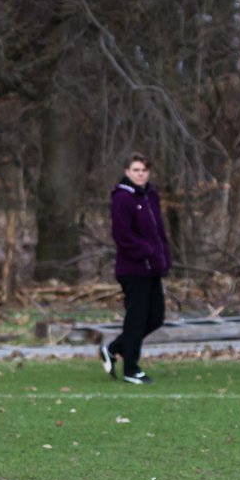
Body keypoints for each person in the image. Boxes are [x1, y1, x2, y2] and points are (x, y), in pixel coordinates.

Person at [99, 153, 172, 385]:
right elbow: (123, 236)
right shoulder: (123, 198)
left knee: (156, 317)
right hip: (133, 269)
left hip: (152, 269)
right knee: (137, 319)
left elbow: (158, 233)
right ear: (127, 171)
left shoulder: (150, 195)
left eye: (144, 170)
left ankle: (114, 348)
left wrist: (162, 258)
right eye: (136, 170)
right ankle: (131, 368)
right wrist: (146, 252)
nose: (141, 174)